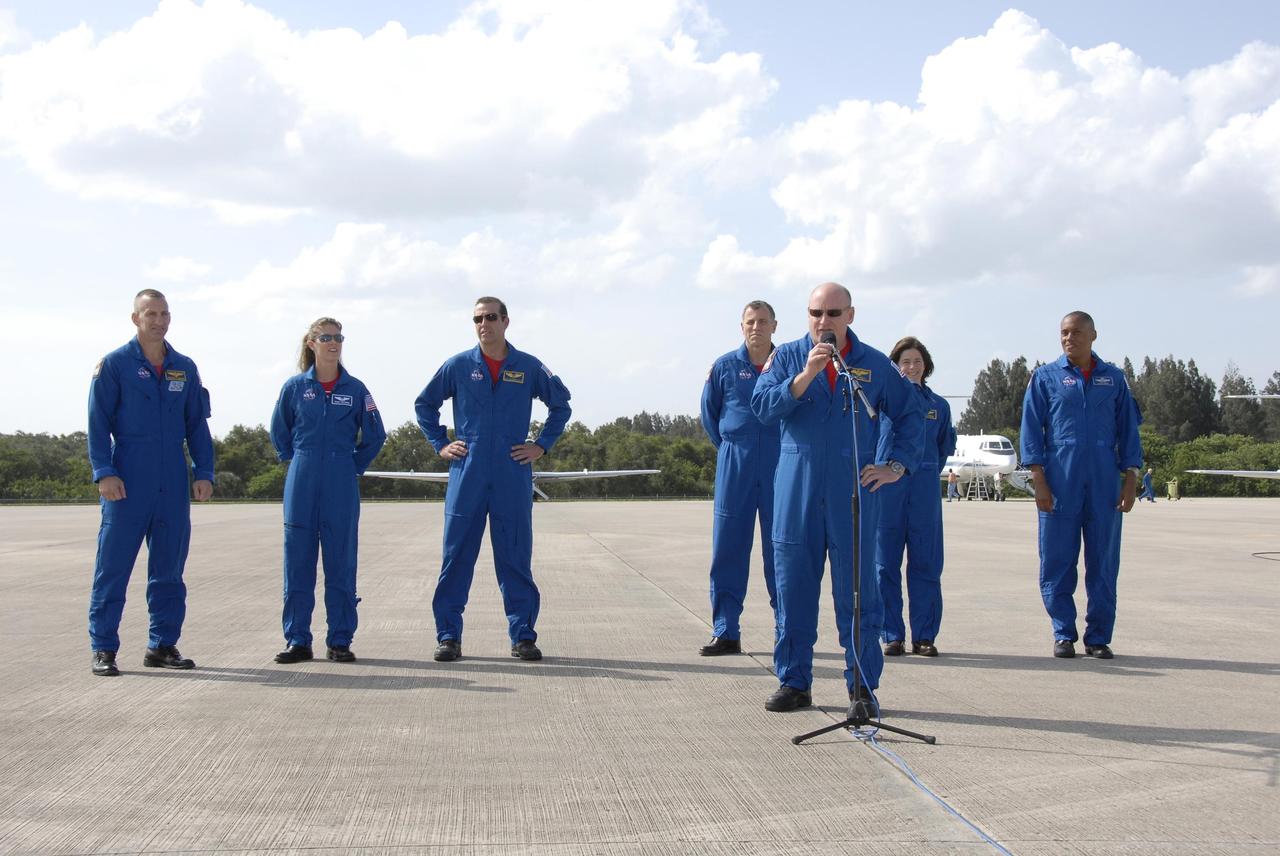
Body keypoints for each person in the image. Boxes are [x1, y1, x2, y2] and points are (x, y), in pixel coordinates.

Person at [751, 282, 924, 717]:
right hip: (797, 490)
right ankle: (795, 682)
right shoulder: (788, 357)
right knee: (793, 590)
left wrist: (895, 466)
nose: (823, 322)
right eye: (815, 313)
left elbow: (908, 415)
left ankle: (862, 688)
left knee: (859, 594)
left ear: (850, 315)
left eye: (832, 313)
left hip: (853, 492)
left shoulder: (872, 366)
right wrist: (804, 376)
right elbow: (762, 406)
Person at [416, 297, 572, 662]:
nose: (483, 324)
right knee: (455, 557)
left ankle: (523, 636)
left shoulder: (528, 367)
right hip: (467, 473)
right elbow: (424, 404)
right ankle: (448, 637)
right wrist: (440, 443)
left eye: (489, 317)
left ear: (505, 321)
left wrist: (541, 445)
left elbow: (561, 404)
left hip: (511, 473)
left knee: (515, 556)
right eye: (477, 319)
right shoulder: (457, 366)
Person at [86, 289, 215, 677]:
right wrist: (104, 472)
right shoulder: (114, 365)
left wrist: (204, 472)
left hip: (172, 479)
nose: (158, 320)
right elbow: (97, 424)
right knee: (113, 566)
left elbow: (197, 424)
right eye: (150, 314)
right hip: (128, 476)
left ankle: (162, 645)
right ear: (135, 318)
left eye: (164, 314)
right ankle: (103, 647)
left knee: (169, 568)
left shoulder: (184, 367)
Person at [1020, 311, 1142, 660]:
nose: (1068, 338)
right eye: (1063, 333)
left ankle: (1099, 637)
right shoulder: (1045, 378)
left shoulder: (1114, 379)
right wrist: (1038, 480)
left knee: (1103, 562)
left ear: (1093, 335)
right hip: (1061, 478)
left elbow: (1128, 430)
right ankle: (1063, 633)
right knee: (1057, 560)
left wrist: (1130, 477)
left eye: (1075, 332)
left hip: (1104, 479)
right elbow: (1031, 430)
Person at [269, 318, 387, 664]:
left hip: (341, 475)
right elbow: (279, 431)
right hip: (302, 475)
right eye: (326, 337)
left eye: (338, 338)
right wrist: (297, 460)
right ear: (311, 343)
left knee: (341, 561)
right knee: (298, 561)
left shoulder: (356, 390)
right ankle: (297, 640)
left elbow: (375, 434)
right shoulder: (294, 388)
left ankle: (339, 639)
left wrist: (353, 464)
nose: (333, 343)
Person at [698, 300, 782, 656]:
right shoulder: (724, 366)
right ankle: (726, 629)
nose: (756, 327)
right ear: (741, 325)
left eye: (763, 321)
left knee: (782, 549)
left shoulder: (789, 362)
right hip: (736, 460)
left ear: (774, 326)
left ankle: (787, 627)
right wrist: (733, 447)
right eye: (750, 321)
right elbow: (709, 413)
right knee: (729, 547)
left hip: (780, 462)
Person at [875, 337, 957, 659]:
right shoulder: (880, 404)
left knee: (926, 563)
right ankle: (891, 634)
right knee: (884, 565)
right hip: (886, 490)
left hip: (923, 490)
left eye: (917, 362)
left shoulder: (939, 406)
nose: (911, 367)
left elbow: (942, 448)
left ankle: (924, 636)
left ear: (926, 366)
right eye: (905, 362)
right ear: (894, 366)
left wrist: (920, 471)